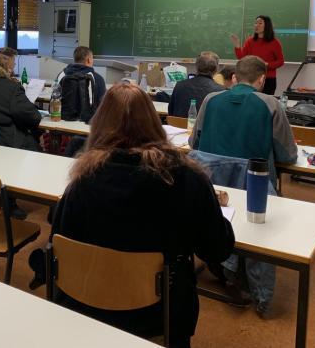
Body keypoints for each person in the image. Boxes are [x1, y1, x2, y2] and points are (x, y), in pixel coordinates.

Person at [46, 83, 234, 348]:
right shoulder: (186, 179)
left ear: (99, 124)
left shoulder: (82, 181)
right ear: (154, 124)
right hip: (160, 312)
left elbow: (57, 239)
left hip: (84, 304)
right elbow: (218, 249)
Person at [190, 55, 297, 183]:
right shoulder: (271, 104)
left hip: (211, 183)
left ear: (234, 78)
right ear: (262, 79)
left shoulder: (210, 99)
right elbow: (288, 156)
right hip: (253, 185)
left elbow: (194, 143)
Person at [230, 15, 284, 95]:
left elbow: (280, 61)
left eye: (260, 23)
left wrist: (267, 65)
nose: (256, 25)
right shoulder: (250, 41)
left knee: (265, 101)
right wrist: (237, 47)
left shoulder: (274, 42)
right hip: (251, 78)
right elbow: (242, 59)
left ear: (267, 26)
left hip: (268, 79)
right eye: (255, 23)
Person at [168, 52, 224, 117]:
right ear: (216, 69)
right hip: (203, 124)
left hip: (178, 123)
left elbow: (170, 112)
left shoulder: (179, 85)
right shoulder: (220, 91)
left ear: (196, 67)